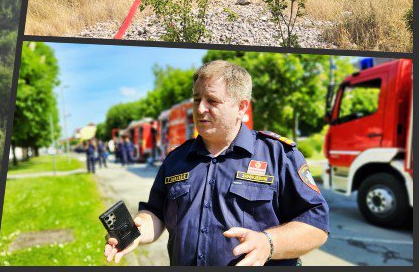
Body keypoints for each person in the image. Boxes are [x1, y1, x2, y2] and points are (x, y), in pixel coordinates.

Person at [104, 60, 329, 266]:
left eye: (212, 100)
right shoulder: (176, 159)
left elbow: (316, 225)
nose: (200, 108)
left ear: (241, 107)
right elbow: (156, 213)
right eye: (196, 100)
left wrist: (268, 243)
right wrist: (137, 230)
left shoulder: (278, 155)